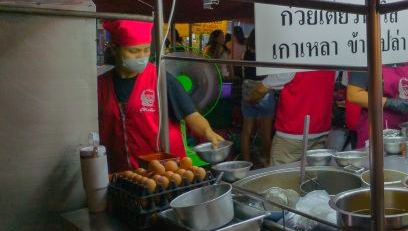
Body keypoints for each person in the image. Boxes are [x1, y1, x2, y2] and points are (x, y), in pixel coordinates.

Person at [98, 20, 225, 172]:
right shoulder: (100, 85)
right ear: (113, 49)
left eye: (146, 50)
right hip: (121, 174)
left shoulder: (160, 79)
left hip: (164, 170)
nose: (142, 56)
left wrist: (208, 132)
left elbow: (191, 115)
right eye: (134, 51)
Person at [247, 70, 336, 165]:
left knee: (280, 178)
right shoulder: (330, 60)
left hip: (291, 134)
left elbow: (261, 88)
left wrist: (250, 99)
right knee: (311, 175)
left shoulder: (293, 62)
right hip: (320, 131)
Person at [346, 64, 408, 149]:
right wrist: (389, 102)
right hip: (378, 126)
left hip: (407, 128)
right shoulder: (367, 60)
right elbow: (354, 94)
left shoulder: (404, 59)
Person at [240, 31, 274, 167]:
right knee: (266, 133)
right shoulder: (266, 54)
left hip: (247, 91)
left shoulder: (245, 53)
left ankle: (246, 163)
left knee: (246, 131)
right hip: (263, 91)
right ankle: (267, 160)